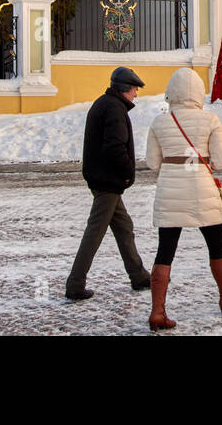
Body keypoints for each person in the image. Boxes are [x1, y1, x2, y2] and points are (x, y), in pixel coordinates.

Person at [143, 68, 222, 331]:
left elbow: (152, 163)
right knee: (217, 245)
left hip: (171, 192)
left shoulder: (159, 122)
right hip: (203, 191)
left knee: (164, 251)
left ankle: (157, 311)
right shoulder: (210, 119)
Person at [65, 67, 153, 301]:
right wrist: (127, 173)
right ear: (125, 88)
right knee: (95, 231)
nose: (136, 94)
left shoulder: (105, 103)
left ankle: (139, 275)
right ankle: (75, 283)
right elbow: (115, 147)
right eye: (134, 89)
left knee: (124, 227)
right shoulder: (114, 109)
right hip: (108, 180)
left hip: (102, 178)